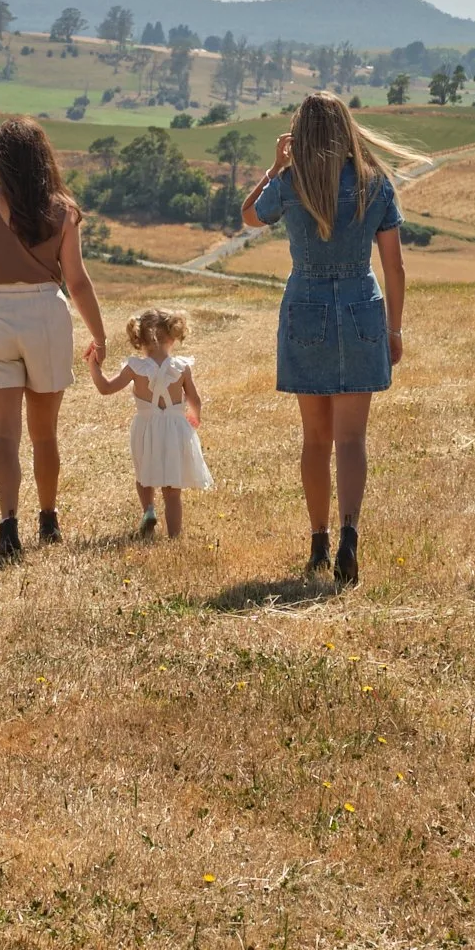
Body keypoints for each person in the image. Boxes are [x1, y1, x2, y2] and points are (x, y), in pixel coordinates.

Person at [242, 91, 411, 587]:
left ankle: (317, 540)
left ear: (302, 133)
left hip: (307, 306)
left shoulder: (290, 184)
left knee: (315, 440)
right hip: (362, 303)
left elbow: (249, 215)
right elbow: (395, 266)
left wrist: (275, 167)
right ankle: (349, 536)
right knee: (352, 439)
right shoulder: (373, 184)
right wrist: (395, 328)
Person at [0, 117, 108, 559]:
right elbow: (77, 282)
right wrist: (99, 333)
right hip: (45, 312)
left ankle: (7, 525)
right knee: (45, 435)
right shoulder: (64, 210)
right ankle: (49, 518)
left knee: (4, 437)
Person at [91, 307, 213, 540]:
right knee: (172, 490)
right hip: (175, 429)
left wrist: (93, 366)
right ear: (172, 335)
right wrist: (194, 419)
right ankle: (174, 536)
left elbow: (105, 388)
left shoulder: (136, 368)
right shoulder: (181, 368)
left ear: (139, 339)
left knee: (144, 473)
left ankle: (148, 510)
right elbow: (194, 400)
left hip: (146, 427)